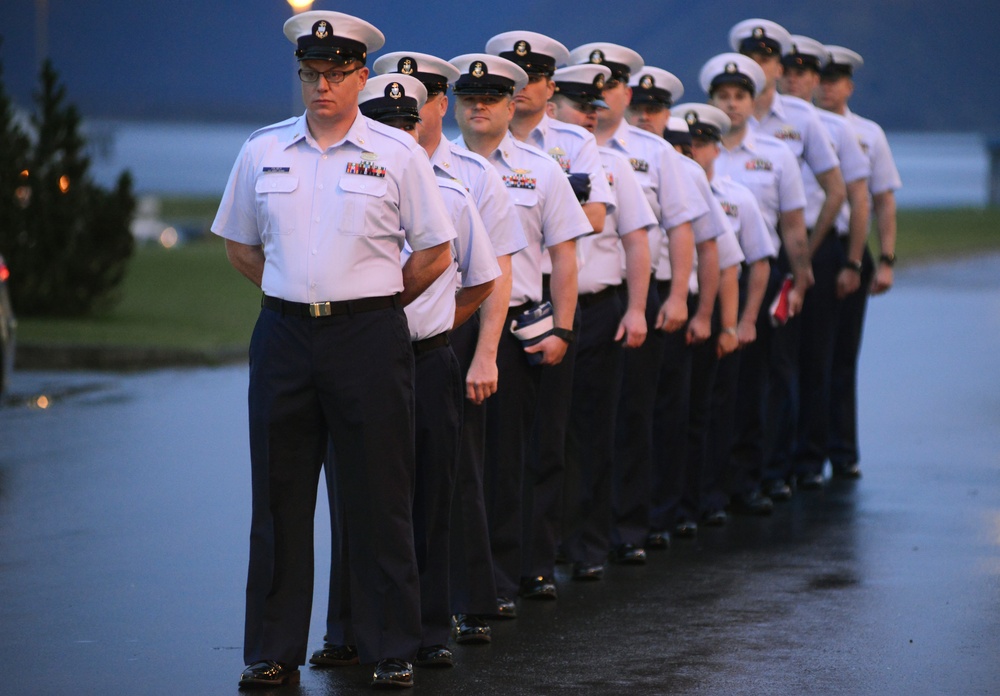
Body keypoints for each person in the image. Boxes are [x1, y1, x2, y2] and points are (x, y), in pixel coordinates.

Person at [212, 11, 456, 690]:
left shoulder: (398, 153)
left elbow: (435, 251)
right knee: (279, 497)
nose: (322, 85)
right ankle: (272, 648)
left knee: (380, 495)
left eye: (336, 73)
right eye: (311, 73)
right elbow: (238, 243)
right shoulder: (263, 149)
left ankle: (392, 645)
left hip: (369, 336)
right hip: (286, 334)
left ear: (361, 76)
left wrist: (372, 304)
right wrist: (294, 293)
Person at [310, 72, 501, 673]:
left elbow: (482, 278)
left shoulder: (453, 194)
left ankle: (426, 629)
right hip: (357, 359)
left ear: (420, 127)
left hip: (424, 358)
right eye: (383, 123)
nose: (396, 134)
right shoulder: (338, 188)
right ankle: (344, 629)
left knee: (429, 495)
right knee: (353, 499)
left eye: (405, 124)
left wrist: (438, 323)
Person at [371, 49, 528, 644]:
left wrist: (481, 347)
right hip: (374, 341)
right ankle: (363, 621)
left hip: (448, 332)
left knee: (453, 477)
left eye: (422, 98)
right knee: (376, 487)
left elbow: (495, 272)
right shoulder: (372, 163)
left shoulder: (472, 175)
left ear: (438, 104)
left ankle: (458, 604)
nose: (408, 109)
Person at [449, 52, 591, 617]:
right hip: (448, 324)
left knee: (507, 461)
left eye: (491, 99)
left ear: (514, 105)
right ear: (454, 105)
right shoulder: (429, 164)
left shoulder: (541, 169)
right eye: (468, 99)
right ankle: (454, 582)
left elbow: (566, 257)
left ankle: (503, 580)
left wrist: (564, 329)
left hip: (517, 327)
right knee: (454, 461)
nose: (478, 107)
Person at [484, 30, 612, 601]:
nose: (521, 88)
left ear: (548, 86)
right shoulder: (475, 139)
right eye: (510, 78)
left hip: (545, 309)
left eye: (532, 77)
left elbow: (591, 219)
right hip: (480, 309)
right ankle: (486, 565)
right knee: (488, 450)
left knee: (546, 441)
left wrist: (562, 324)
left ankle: (535, 559)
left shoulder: (570, 144)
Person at [569, 41, 704, 562]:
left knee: (628, 416)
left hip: (625, 294)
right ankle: (569, 533)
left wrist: (670, 298)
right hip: (555, 298)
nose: (602, 95)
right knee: (565, 428)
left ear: (626, 92)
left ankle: (627, 526)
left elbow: (678, 227)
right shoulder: (550, 148)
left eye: (612, 85)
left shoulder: (653, 152)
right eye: (592, 87)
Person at [728, 18, 845, 500]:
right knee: (732, 368)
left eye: (766, 59)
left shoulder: (803, 119)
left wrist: (805, 264)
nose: (758, 66)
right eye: (750, 58)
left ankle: (782, 466)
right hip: (728, 256)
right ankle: (732, 471)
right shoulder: (722, 116)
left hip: (780, 253)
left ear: (777, 65)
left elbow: (836, 192)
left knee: (785, 366)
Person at [547, 62, 654, 579]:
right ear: (551, 105)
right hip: (539, 311)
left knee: (595, 428)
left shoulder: (615, 166)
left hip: (597, 308)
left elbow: (636, 239)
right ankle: (547, 544)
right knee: (547, 434)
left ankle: (590, 543)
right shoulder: (528, 160)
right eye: (579, 107)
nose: (589, 117)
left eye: (595, 109)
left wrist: (637, 308)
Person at [699, 52, 811, 516]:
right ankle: (707, 486)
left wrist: (801, 279)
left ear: (753, 99)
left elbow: (793, 226)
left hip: (757, 275)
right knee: (710, 387)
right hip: (706, 275)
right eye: (722, 96)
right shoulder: (692, 149)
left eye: (740, 96)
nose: (731, 105)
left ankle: (751, 478)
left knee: (756, 380)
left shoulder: (776, 154)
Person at [625, 66, 724, 541]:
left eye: (655, 109)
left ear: (667, 114)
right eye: (638, 108)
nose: (645, 117)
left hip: (662, 294)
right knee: (608, 415)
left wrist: (695, 307)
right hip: (607, 293)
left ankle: (659, 515)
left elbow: (706, 245)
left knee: (661, 412)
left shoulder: (681, 167)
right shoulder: (594, 151)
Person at [673, 102, 777, 524]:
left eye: (702, 144)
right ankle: (679, 501)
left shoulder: (738, 198)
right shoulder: (671, 188)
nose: (695, 151)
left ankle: (709, 496)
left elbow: (745, 264)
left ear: (717, 149)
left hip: (714, 310)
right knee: (677, 414)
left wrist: (735, 325)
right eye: (687, 144)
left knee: (713, 412)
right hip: (674, 306)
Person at [779, 35, 871, 489]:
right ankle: (775, 457)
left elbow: (856, 196)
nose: (795, 79)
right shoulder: (761, 125)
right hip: (771, 248)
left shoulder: (835, 130)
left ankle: (812, 456)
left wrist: (852, 261)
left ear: (816, 80)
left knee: (818, 356)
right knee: (777, 360)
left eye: (804, 73)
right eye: (788, 71)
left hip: (819, 244)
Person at [816, 44, 902, 479]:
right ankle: (803, 454)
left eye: (834, 80)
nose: (826, 87)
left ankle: (843, 451)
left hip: (850, 249)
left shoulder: (869, 134)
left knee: (842, 354)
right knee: (806, 355)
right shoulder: (801, 128)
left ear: (848, 86)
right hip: (809, 246)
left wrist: (885, 259)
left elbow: (883, 201)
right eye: (821, 78)